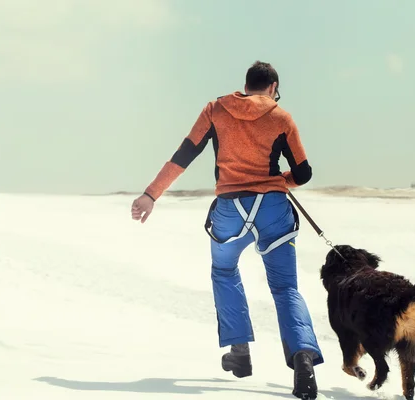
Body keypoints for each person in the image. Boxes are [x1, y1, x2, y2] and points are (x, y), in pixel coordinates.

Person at [130, 61, 323, 399]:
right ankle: (302, 356)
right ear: (273, 86)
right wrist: (279, 182)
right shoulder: (281, 117)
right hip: (273, 209)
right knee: (285, 286)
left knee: (223, 270)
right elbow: (303, 173)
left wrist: (151, 195)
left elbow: (184, 155)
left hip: (230, 209)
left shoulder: (216, 110)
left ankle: (240, 351)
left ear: (247, 85)